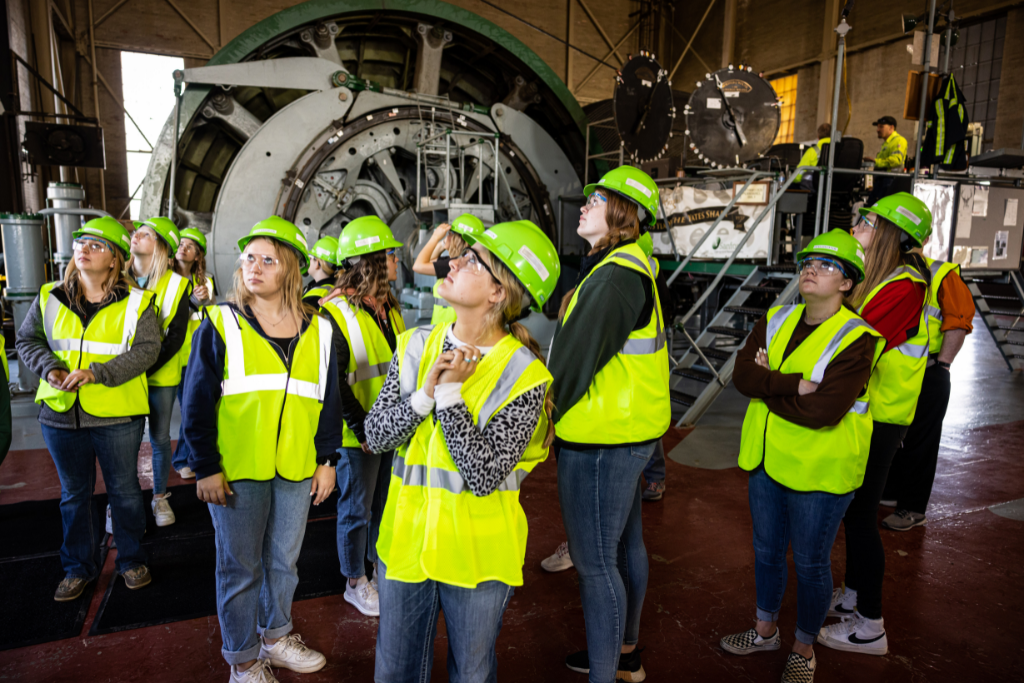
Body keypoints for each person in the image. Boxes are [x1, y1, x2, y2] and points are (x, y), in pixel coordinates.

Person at [365, 219, 560, 683]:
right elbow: (375, 435)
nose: (454, 262)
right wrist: (423, 397)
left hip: (477, 555)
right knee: (394, 672)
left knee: (472, 674)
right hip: (406, 544)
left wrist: (450, 397)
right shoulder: (415, 346)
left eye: (474, 262)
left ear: (498, 293)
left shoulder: (525, 375)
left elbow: (482, 473)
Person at [182, 216, 342, 683]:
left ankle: (276, 637)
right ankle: (243, 660)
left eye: (267, 259)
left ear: (290, 268)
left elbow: (327, 403)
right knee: (240, 568)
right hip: (236, 472)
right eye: (249, 257)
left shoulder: (322, 331)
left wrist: (326, 460)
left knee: (283, 562)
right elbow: (195, 403)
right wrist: (205, 467)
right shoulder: (221, 324)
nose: (253, 266)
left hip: (295, 468)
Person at [720, 230, 882, 683]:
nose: (811, 268)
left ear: (848, 283)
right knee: (767, 552)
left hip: (820, 470)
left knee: (811, 564)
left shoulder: (858, 338)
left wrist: (769, 383)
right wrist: (792, 384)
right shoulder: (775, 318)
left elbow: (825, 411)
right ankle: (765, 630)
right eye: (808, 261)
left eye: (827, 265)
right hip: (767, 462)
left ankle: (804, 647)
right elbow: (743, 377)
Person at [548, 165, 669, 683]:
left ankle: (607, 672)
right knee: (623, 547)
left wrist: (542, 419)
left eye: (594, 200)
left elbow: (573, 364)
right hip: (627, 432)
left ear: (622, 212)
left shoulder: (618, 275)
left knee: (595, 563)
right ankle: (624, 654)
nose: (583, 205)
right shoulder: (623, 266)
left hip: (602, 438)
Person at [16, 216, 160, 601]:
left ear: (115, 259)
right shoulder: (49, 296)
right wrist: (51, 367)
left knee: (125, 492)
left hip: (117, 415)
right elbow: (26, 339)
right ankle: (78, 568)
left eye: (96, 245)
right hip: (60, 414)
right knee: (73, 495)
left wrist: (99, 374)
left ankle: (131, 560)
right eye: (81, 242)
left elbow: (148, 350)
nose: (84, 249)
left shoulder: (137, 303)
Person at [819, 193, 932, 656]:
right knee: (853, 512)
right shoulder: (884, 278)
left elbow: (852, 339)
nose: (857, 225)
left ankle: (871, 626)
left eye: (867, 220)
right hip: (870, 414)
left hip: (883, 417)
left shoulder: (904, 285)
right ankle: (852, 593)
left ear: (889, 231)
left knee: (862, 515)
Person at [317, 216, 405, 617]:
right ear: (371, 262)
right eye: (390, 254)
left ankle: (376, 566)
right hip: (359, 436)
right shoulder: (335, 314)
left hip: (387, 430)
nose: (396, 261)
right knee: (356, 510)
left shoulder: (388, 307)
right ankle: (355, 581)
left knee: (383, 506)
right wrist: (362, 428)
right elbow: (335, 383)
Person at [880, 248, 975, 530]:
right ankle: (891, 492)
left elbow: (958, 321)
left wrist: (942, 365)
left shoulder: (940, 273)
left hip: (928, 370)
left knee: (921, 439)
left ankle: (912, 508)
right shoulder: (886, 268)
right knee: (893, 432)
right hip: (892, 371)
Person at [128, 216, 190, 527]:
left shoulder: (177, 284)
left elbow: (176, 335)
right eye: (136, 232)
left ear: (161, 246)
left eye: (145, 233)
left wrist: (142, 365)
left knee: (160, 438)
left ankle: (160, 498)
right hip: (119, 376)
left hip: (159, 375)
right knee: (123, 440)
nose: (135, 235)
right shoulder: (116, 277)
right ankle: (121, 502)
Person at [170, 227, 216, 480]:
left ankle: (184, 459)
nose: (183, 248)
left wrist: (206, 301)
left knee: (192, 408)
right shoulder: (166, 280)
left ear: (198, 256)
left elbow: (209, 318)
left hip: (196, 355)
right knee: (181, 411)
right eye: (181, 244)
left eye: (190, 246)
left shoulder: (206, 282)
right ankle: (183, 458)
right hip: (173, 355)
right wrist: (191, 303)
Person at [411, 214, 483, 324]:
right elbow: (432, 260)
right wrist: (442, 245)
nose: (446, 237)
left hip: (446, 330)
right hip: (450, 329)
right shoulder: (464, 262)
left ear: (457, 239)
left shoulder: (453, 265)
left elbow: (418, 266)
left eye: (449, 234)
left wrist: (435, 237)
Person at [863, 116, 908, 206]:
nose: (877, 130)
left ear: (891, 127)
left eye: (881, 127)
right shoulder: (886, 144)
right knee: (872, 207)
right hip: (882, 182)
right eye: (878, 127)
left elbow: (896, 160)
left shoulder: (899, 141)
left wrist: (876, 162)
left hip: (890, 181)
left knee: (878, 209)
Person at [302, 235, 340, 305]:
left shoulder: (315, 297)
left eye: (310, 258)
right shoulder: (333, 286)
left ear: (318, 263)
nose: (308, 261)